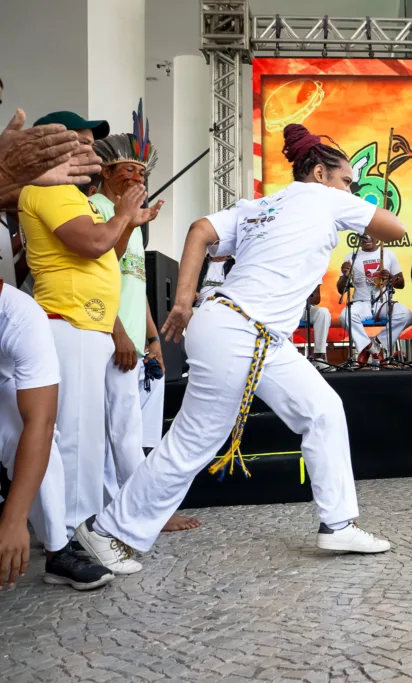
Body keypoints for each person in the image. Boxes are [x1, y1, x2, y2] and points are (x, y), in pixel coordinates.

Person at [74, 124, 403, 575]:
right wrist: (357, 202)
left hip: (251, 332)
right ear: (322, 175)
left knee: (323, 407)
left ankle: (338, 522)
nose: (352, 189)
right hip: (240, 330)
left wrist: (185, 299)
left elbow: (199, 230)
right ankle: (107, 532)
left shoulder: (258, 206)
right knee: (196, 440)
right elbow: (395, 227)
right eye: (348, 180)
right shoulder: (325, 197)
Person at [17, 111, 153, 540]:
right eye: (77, 142)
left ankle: (78, 534)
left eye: (89, 144)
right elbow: (94, 243)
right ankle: (73, 541)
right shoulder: (50, 190)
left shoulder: (74, 197)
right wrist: (124, 215)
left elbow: (108, 259)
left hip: (86, 326)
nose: (87, 151)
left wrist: (126, 221)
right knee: (75, 440)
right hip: (69, 321)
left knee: (90, 442)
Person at [89, 128, 199, 532]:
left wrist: (151, 338)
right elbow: (98, 277)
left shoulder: (128, 219)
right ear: (104, 171)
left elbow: (133, 282)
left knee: (129, 434)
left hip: (135, 343)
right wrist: (117, 332)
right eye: (127, 171)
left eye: (141, 173)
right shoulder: (96, 210)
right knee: (118, 433)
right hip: (106, 338)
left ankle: (125, 512)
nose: (137, 179)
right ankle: (138, 515)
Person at [0, 281, 114, 590]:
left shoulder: (19, 313)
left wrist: (13, 520)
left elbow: (41, 420)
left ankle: (57, 550)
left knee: (36, 438)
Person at [337, 233, 412, 357]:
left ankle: (376, 342)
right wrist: (345, 275)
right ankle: (371, 348)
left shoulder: (388, 254)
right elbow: (341, 290)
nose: (367, 237)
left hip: (384, 302)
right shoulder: (351, 257)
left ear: (377, 236)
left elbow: (401, 283)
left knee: (406, 315)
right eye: (363, 235)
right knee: (346, 316)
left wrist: (390, 278)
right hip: (361, 303)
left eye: (370, 234)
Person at [298, 285, 333, 366]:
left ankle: (319, 357)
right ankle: (289, 358)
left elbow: (316, 299)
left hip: (303, 308)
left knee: (323, 312)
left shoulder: (313, 272)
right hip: (286, 308)